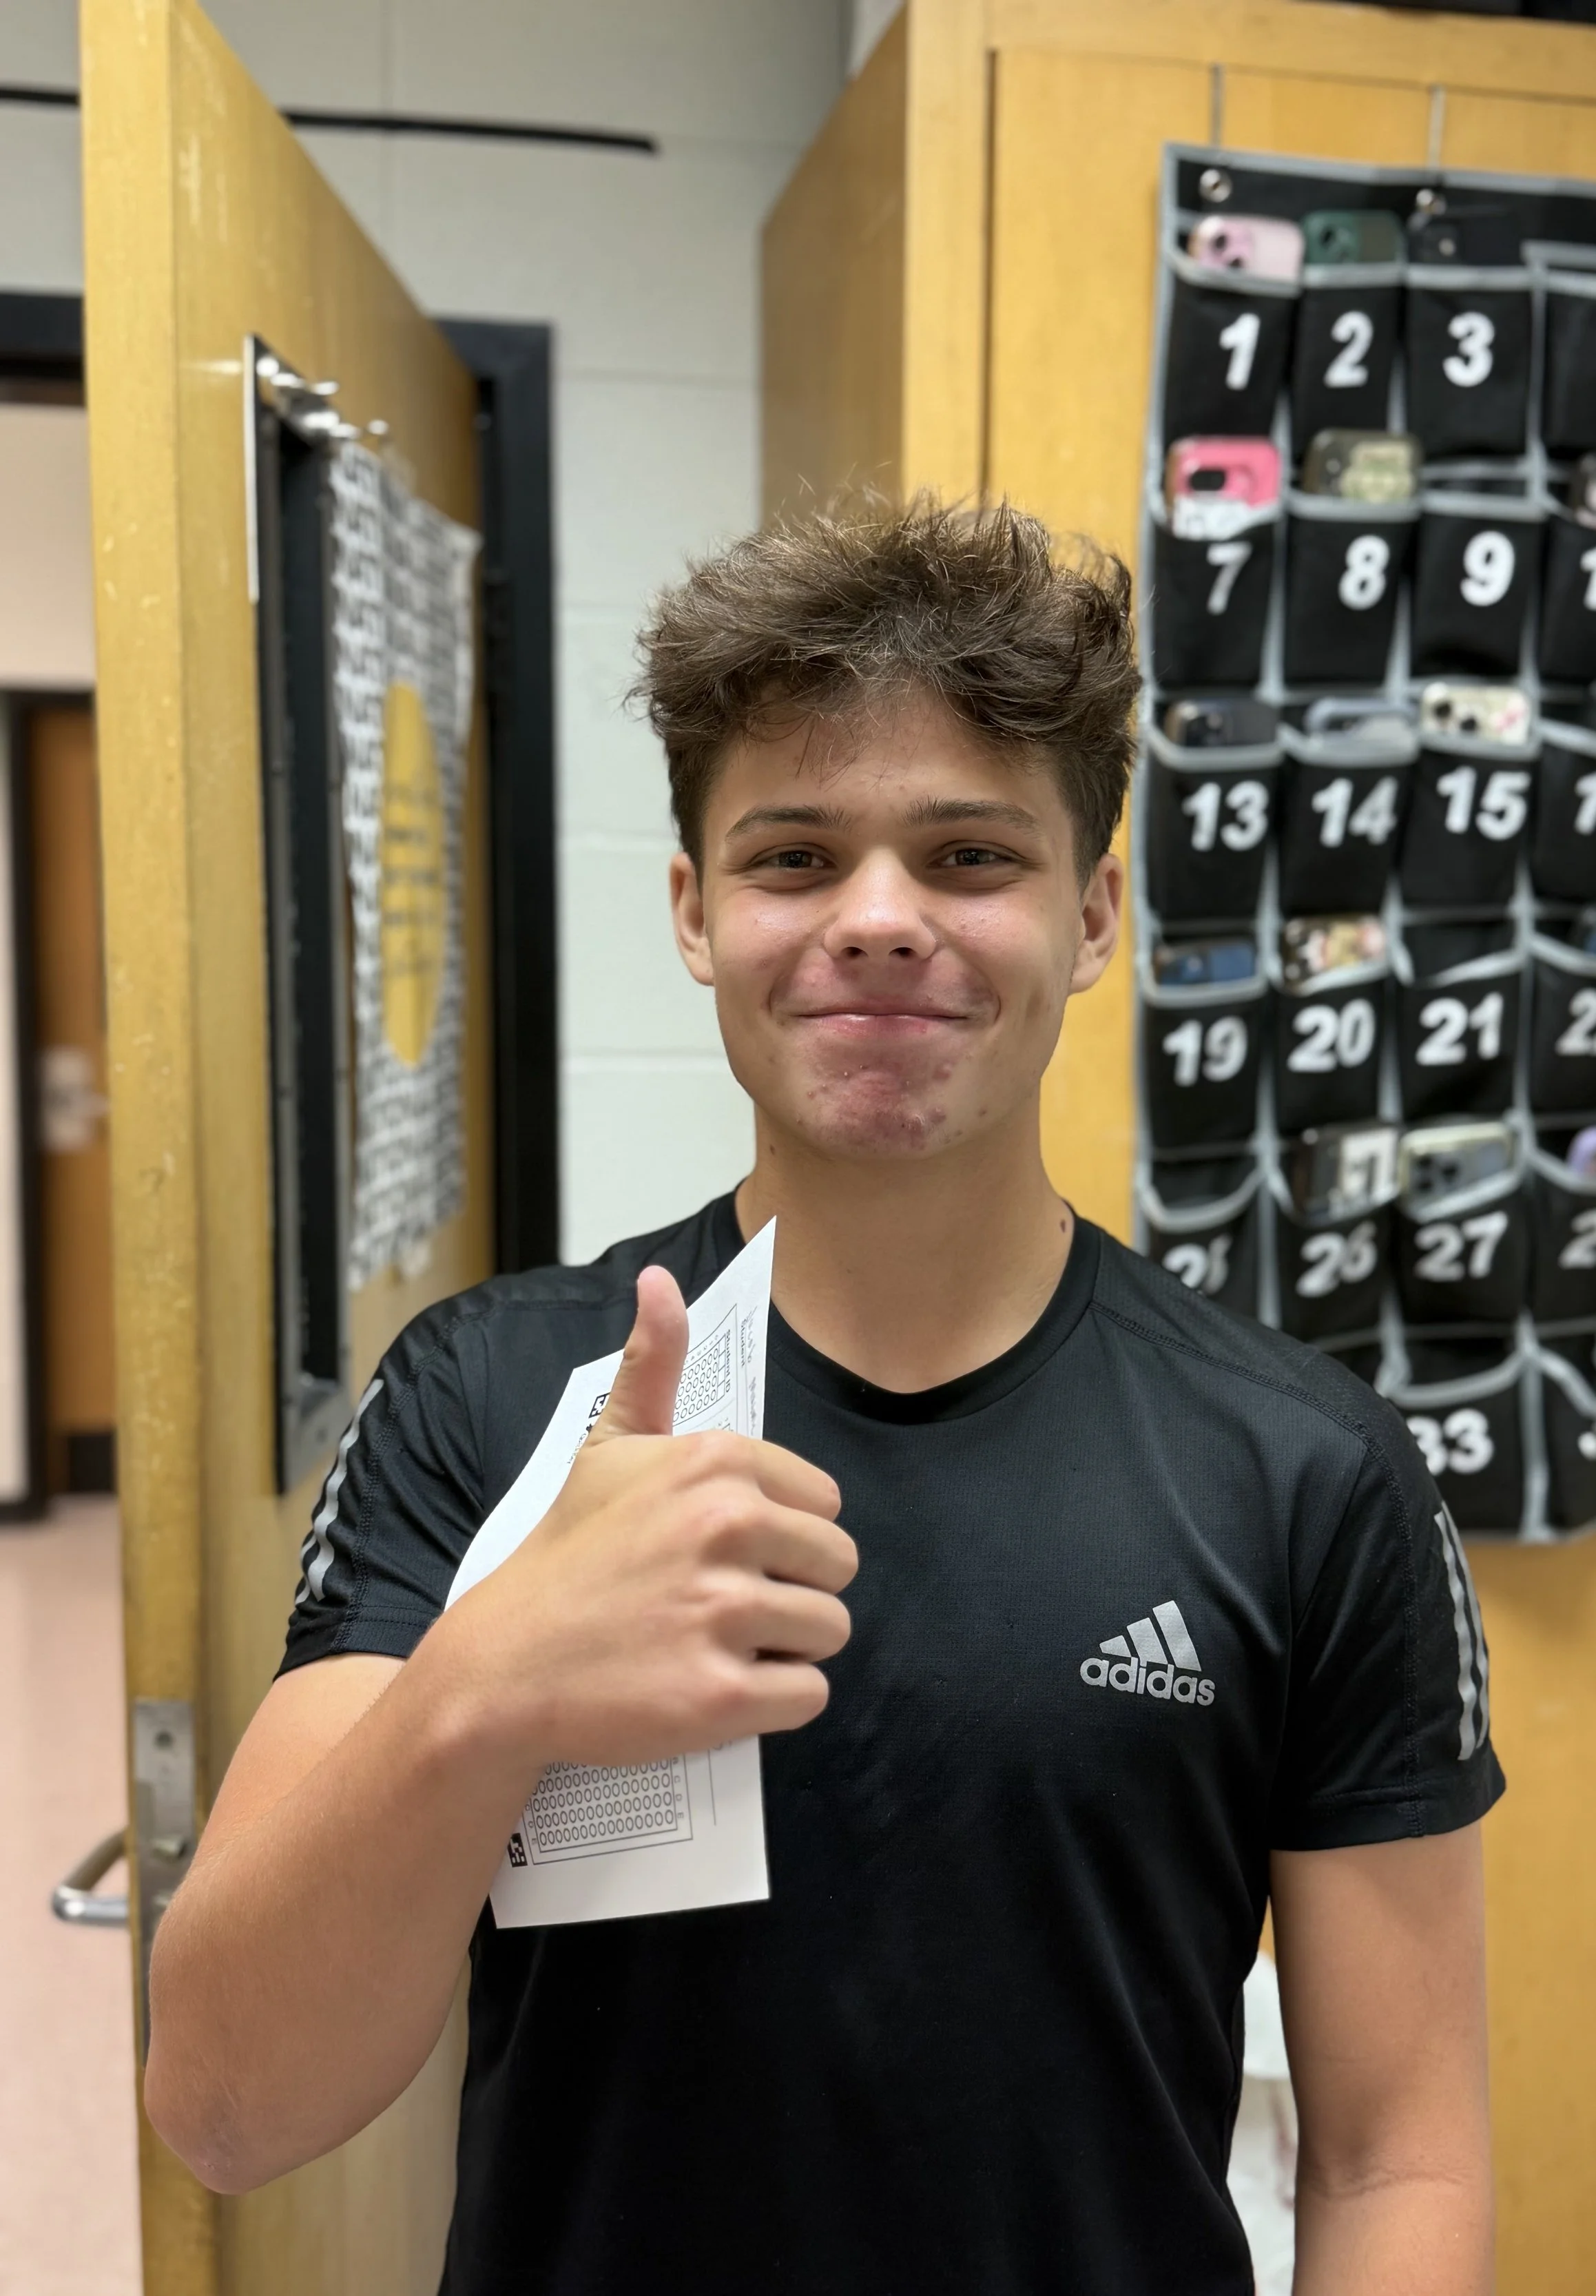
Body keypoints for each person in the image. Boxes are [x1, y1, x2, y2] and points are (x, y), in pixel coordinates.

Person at [145, 498, 1502, 2295]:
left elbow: (1397, 2153)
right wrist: (498, 1674)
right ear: (697, 912)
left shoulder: (1304, 1468)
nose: (877, 920)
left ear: (1090, 913)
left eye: (965, 856)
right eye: (794, 856)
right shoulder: (488, 1400)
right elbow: (231, 2105)